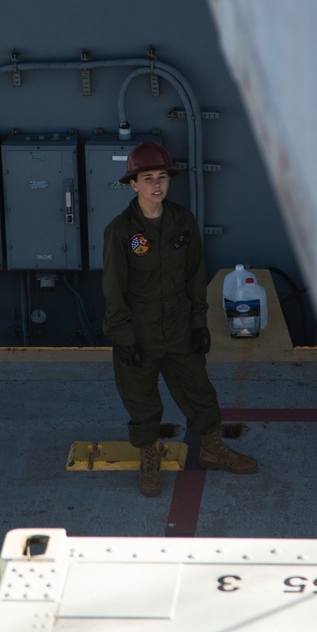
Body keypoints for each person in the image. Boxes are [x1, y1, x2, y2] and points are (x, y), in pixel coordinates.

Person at [102, 140, 258, 497]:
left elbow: (194, 276)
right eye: (147, 178)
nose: (157, 185)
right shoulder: (120, 231)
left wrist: (199, 323)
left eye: (162, 177)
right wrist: (124, 336)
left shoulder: (182, 221)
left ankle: (210, 448)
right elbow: (114, 288)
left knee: (198, 390)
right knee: (141, 398)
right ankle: (148, 455)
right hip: (139, 328)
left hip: (178, 322)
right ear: (133, 184)